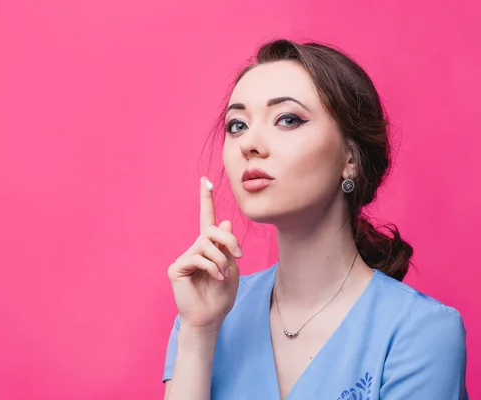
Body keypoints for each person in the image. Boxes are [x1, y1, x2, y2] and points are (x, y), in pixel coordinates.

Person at [162, 39, 468, 400]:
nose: (249, 144)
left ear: (350, 158)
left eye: (287, 119)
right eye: (237, 125)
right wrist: (199, 332)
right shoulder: (204, 313)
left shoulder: (422, 331)